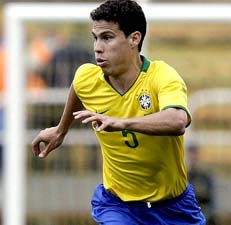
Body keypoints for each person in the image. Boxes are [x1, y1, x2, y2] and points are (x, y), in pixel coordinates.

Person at [32, 0, 206, 224]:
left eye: (107, 37)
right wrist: (61, 129)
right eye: (95, 38)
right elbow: (78, 89)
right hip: (118, 206)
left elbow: (177, 120)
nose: (97, 47)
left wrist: (122, 122)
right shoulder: (87, 77)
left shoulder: (162, 76)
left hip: (173, 206)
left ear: (134, 38)